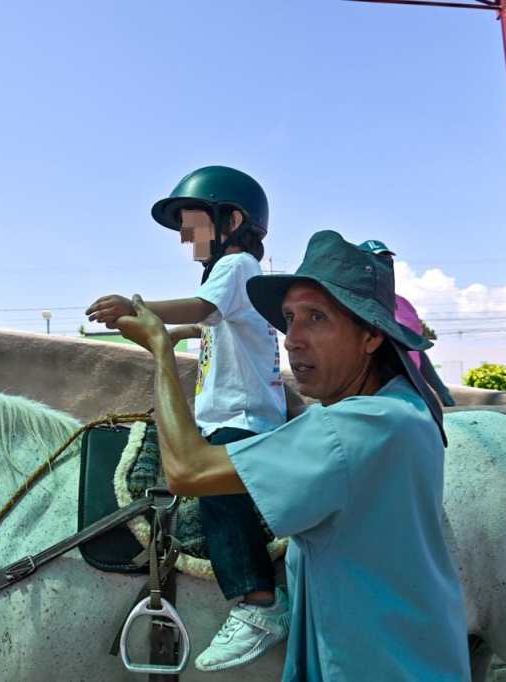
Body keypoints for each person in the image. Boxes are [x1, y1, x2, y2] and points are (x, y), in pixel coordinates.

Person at [113, 230, 470, 681]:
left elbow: (187, 470)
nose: (293, 339)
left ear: (371, 337)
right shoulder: (407, 410)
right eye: (289, 318)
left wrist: (162, 349)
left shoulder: (351, 428)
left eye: (317, 318)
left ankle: (256, 603)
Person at [85, 166, 288, 671]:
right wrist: (169, 337)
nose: (183, 236)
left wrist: (137, 305)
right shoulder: (235, 280)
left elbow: (199, 306)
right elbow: (209, 327)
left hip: (242, 419)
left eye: (190, 223)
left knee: (218, 495)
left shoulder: (237, 265)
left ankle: (258, 602)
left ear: (231, 220)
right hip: (231, 413)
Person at [359, 239, 456, 407]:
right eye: (374, 260)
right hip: (379, 398)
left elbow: (416, 350)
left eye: (387, 260)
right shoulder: (355, 306)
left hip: (411, 394)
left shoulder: (405, 305)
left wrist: (440, 389)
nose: (383, 265)